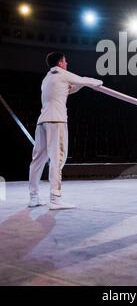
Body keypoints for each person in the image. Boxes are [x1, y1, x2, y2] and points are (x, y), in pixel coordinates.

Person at [28, 52, 103, 209]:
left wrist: (82, 84)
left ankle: (33, 197)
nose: (67, 63)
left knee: (38, 160)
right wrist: (98, 82)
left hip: (42, 121)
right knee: (57, 159)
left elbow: (68, 89)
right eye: (65, 61)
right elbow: (83, 79)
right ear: (60, 62)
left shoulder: (48, 78)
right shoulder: (62, 73)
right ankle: (55, 199)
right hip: (56, 121)